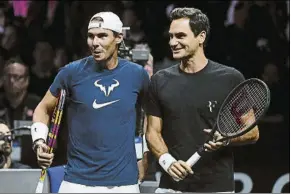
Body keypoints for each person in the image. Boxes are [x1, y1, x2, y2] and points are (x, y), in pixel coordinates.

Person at [30, 11, 150, 193]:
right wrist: (39, 142)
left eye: (102, 36)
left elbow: (148, 116)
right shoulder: (70, 73)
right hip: (76, 183)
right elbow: (43, 108)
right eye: (91, 36)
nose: (95, 43)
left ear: (118, 38)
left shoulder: (137, 74)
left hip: (124, 183)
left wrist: (143, 154)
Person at [145, 7, 259, 193]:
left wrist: (227, 139)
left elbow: (252, 132)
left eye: (180, 36)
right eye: (171, 36)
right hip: (171, 187)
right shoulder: (159, 80)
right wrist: (168, 162)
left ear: (201, 37)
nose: (173, 42)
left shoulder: (230, 78)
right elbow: (152, 132)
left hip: (216, 186)